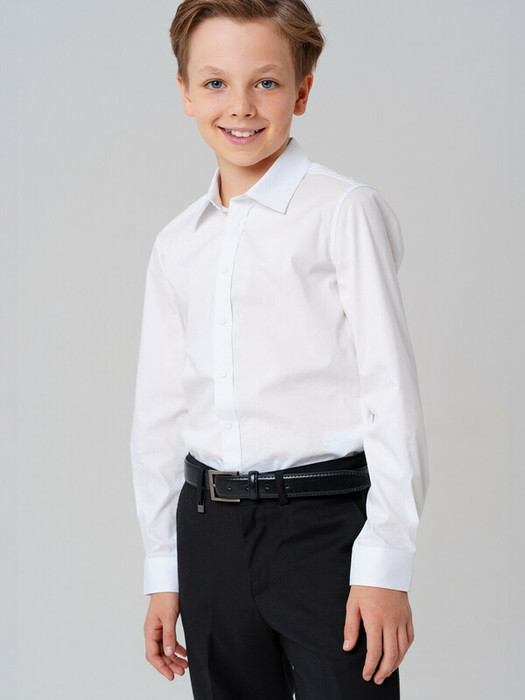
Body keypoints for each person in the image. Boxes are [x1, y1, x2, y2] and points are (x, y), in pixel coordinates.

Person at [130, 1, 430, 698]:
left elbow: (390, 391)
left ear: (302, 90)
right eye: (215, 83)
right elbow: (160, 413)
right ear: (184, 92)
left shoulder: (342, 212)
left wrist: (385, 562)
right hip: (208, 532)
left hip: (323, 530)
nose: (240, 105)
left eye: (265, 82)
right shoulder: (177, 243)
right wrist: (163, 568)